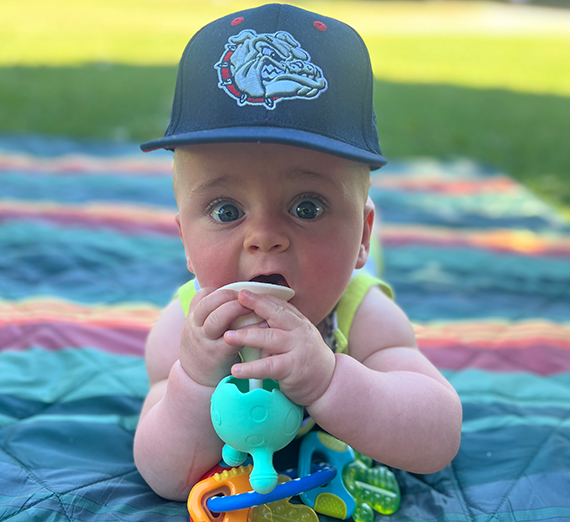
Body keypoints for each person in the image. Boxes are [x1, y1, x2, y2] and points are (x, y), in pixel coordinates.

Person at [133, 3, 462, 502]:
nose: (264, 237)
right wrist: (197, 384)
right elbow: (165, 475)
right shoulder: (185, 330)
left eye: (307, 207)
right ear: (185, 240)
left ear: (363, 237)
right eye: (225, 211)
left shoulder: (362, 317)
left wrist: (330, 382)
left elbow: (438, 438)